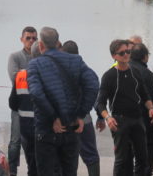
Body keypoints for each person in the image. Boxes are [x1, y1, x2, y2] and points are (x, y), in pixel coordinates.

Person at [26, 27, 99, 176]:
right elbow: (93, 84)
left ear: (40, 45)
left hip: (46, 129)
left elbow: (36, 94)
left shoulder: (35, 64)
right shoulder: (76, 60)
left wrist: (53, 117)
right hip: (71, 127)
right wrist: (80, 114)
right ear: (58, 42)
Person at [96, 39, 153, 176]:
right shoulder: (109, 76)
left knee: (143, 158)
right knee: (122, 160)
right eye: (122, 53)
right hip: (119, 121)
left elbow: (145, 95)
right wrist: (108, 118)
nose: (126, 55)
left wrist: (151, 108)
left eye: (128, 52)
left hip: (137, 119)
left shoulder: (135, 72)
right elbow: (100, 103)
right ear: (114, 56)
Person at [61, 40, 100, 176]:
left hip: (65, 121)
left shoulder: (59, 73)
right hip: (85, 118)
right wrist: (100, 116)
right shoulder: (88, 72)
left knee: (68, 158)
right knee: (91, 156)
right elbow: (95, 95)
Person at [7, 26, 38, 176]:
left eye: (34, 38)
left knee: (34, 142)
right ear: (21, 39)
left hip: (36, 106)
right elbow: (14, 77)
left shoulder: (39, 56)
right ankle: (12, 171)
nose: (31, 41)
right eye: (28, 38)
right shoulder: (15, 56)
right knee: (15, 141)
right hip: (19, 105)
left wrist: (23, 74)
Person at [131, 42, 153, 175]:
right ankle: (146, 172)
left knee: (128, 149)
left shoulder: (122, 69)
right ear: (144, 57)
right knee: (151, 146)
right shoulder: (147, 74)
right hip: (144, 117)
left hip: (124, 117)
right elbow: (151, 97)